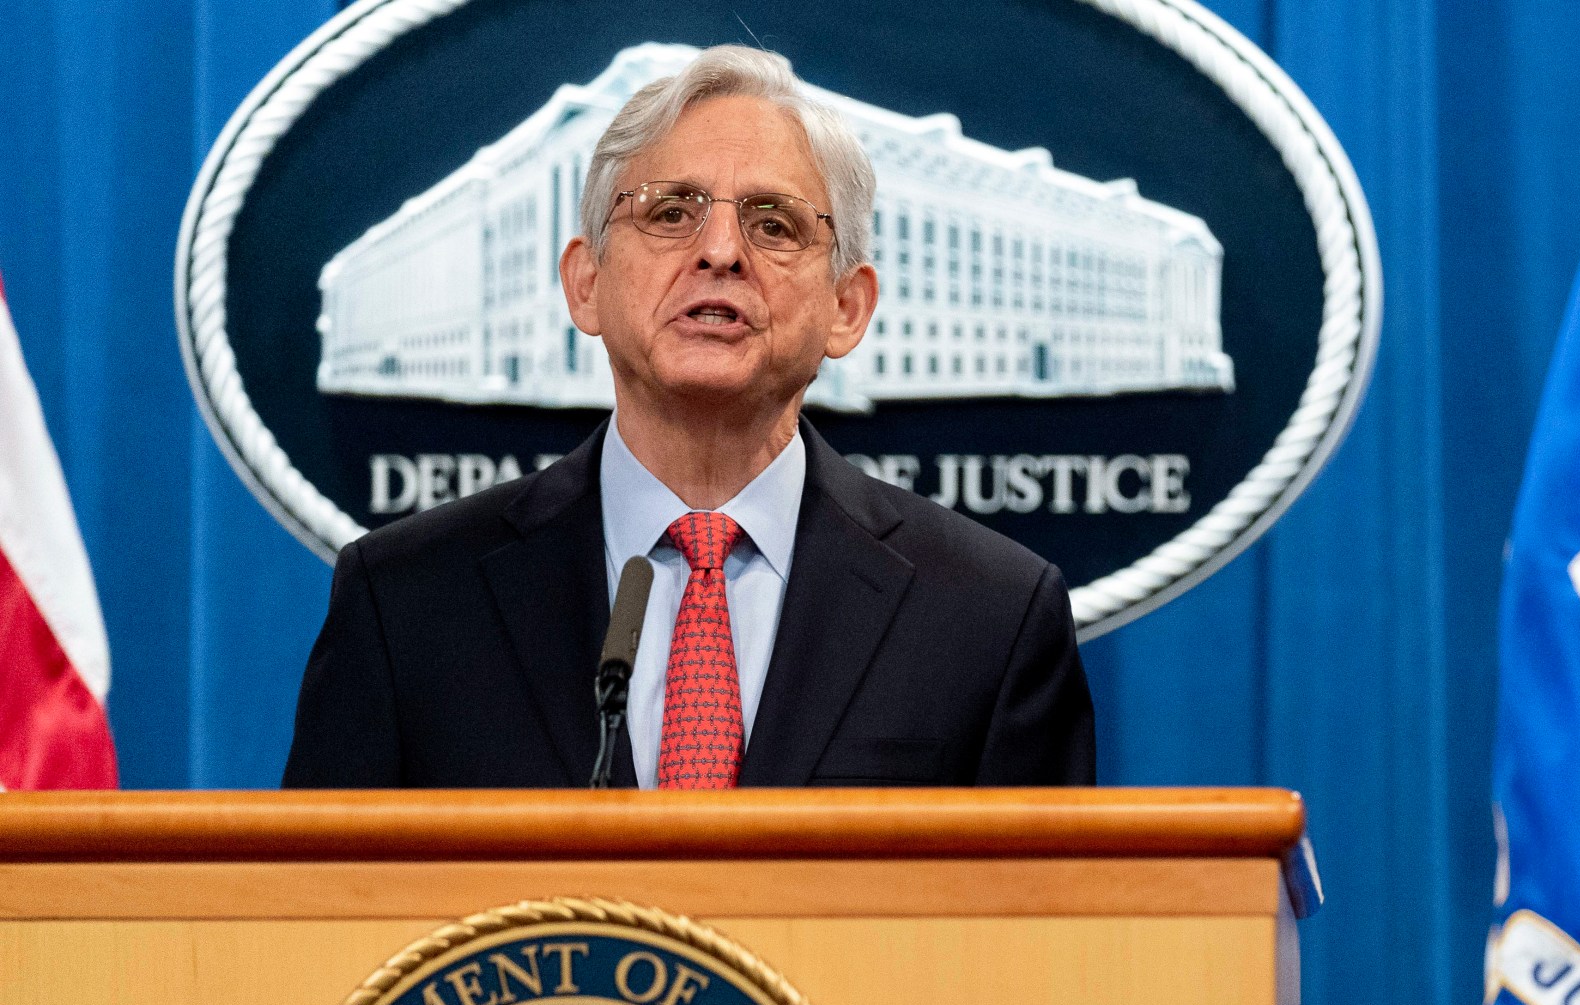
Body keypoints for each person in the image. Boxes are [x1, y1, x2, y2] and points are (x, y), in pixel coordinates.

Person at [284, 46, 1093, 789]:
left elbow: (1036, 936)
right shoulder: (407, 605)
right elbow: (321, 925)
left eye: (774, 223)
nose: (720, 252)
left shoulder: (989, 616)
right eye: (671, 213)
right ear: (586, 283)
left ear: (848, 307)